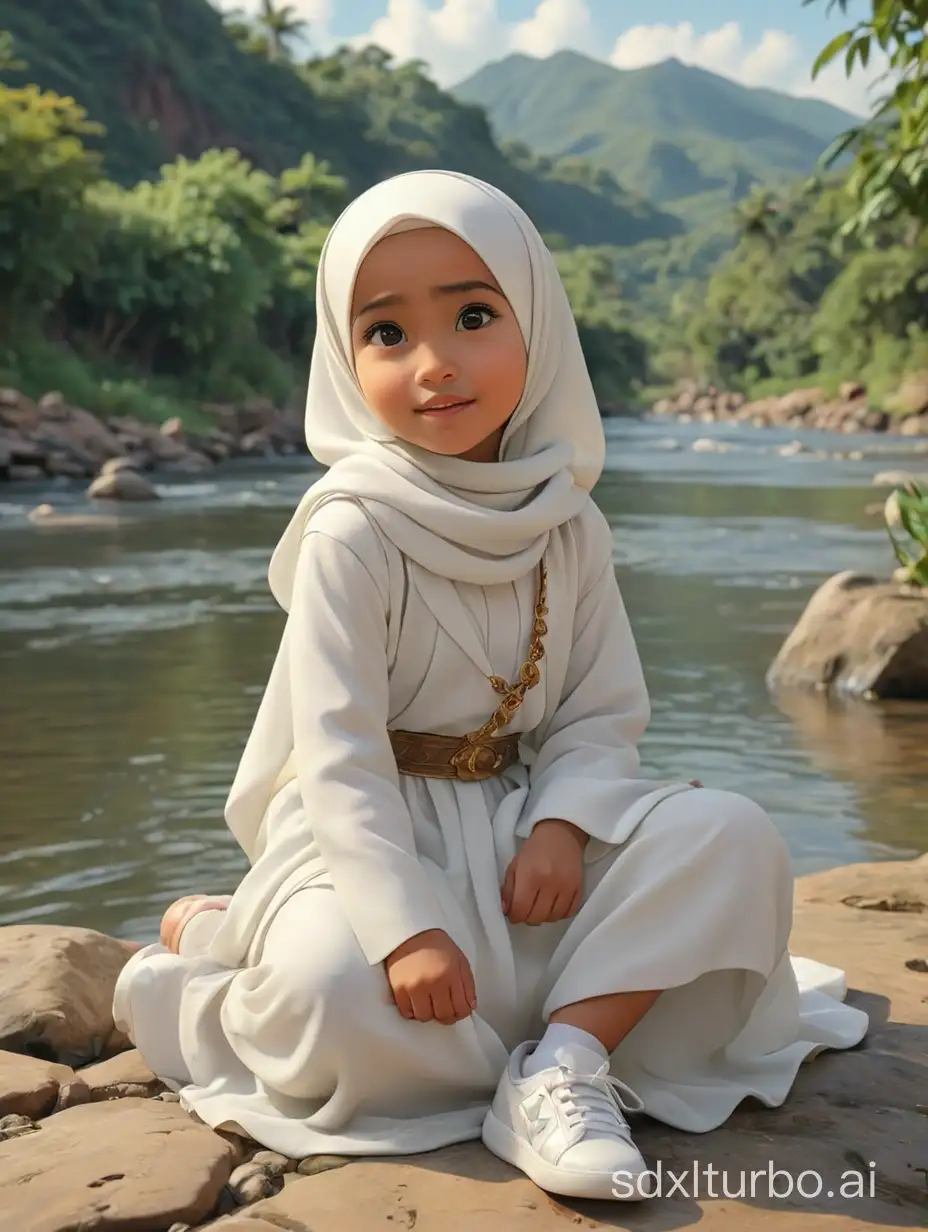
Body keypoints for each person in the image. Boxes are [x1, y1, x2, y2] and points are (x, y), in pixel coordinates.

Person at [113, 170, 868, 1202]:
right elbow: (335, 757)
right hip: (368, 836)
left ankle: (559, 1062)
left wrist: (563, 824)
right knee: (337, 986)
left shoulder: (569, 521)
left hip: (518, 825)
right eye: (385, 334)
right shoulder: (352, 526)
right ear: (343, 356)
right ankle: (222, 944)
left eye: (472, 316)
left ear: (537, 323)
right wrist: (408, 927)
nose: (433, 365)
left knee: (732, 835)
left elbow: (600, 710)